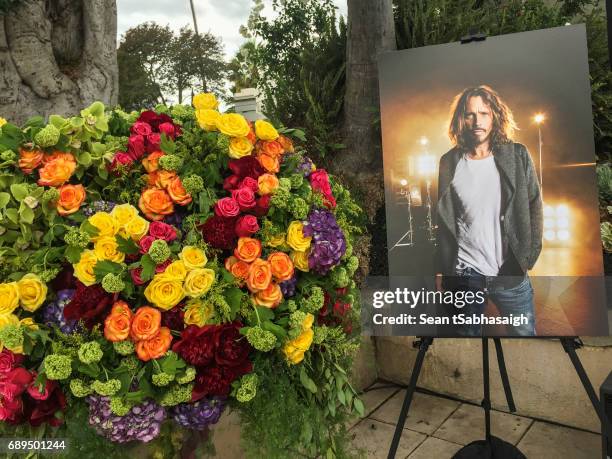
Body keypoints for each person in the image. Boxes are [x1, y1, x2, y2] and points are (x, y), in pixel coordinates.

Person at [434, 85, 543, 336]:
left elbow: (534, 203)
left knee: (526, 339)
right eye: (470, 114)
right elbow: (444, 220)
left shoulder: (516, 155)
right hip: (466, 273)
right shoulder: (448, 163)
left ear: (495, 116)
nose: (477, 121)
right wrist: (441, 267)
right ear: (461, 119)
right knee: (466, 341)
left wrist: (529, 255)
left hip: (510, 272)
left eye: (484, 113)